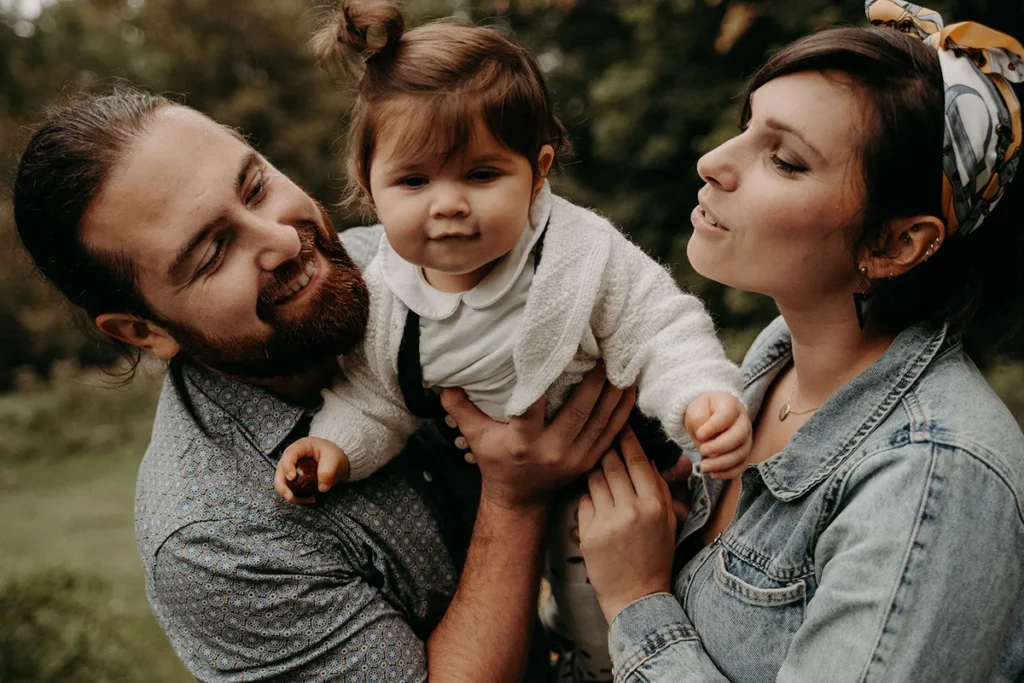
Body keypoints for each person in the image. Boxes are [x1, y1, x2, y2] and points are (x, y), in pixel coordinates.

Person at [12, 88, 649, 682]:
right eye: (211, 253)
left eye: (256, 186)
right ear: (142, 330)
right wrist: (515, 500)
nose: (285, 241)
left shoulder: (407, 258)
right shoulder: (213, 541)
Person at [268, 3, 749, 678]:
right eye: (413, 180)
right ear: (369, 190)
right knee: (579, 630)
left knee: (625, 615)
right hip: (515, 485)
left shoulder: (579, 258)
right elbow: (377, 398)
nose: (448, 203)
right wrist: (333, 447)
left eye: (481, 174)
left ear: (538, 171)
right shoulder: (386, 303)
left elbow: (660, 328)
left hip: (626, 470)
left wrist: (700, 395)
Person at [570, 1, 1024, 680]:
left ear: (896, 243)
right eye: (745, 127)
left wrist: (638, 599)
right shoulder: (776, 362)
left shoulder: (936, 472)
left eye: (783, 159)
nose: (713, 161)